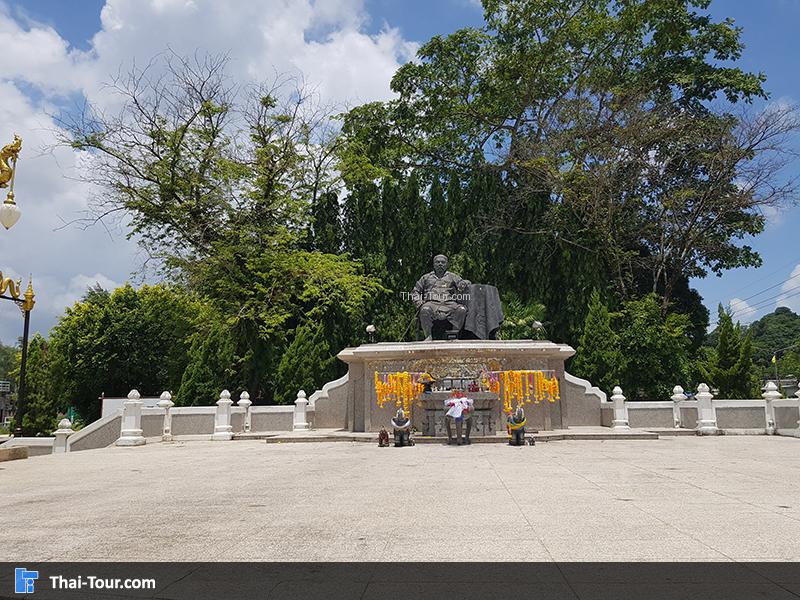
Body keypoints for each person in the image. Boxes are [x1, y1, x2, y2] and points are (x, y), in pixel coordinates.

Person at [411, 255, 470, 341]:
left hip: (449, 303)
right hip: (432, 303)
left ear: (447, 264)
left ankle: (453, 335)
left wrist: (464, 283)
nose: (440, 264)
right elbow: (415, 291)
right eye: (437, 262)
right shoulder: (426, 277)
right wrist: (419, 303)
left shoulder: (453, 276)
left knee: (461, 309)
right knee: (425, 309)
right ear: (434, 264)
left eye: (443, 262)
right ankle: (428, 336)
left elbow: (463, 284)